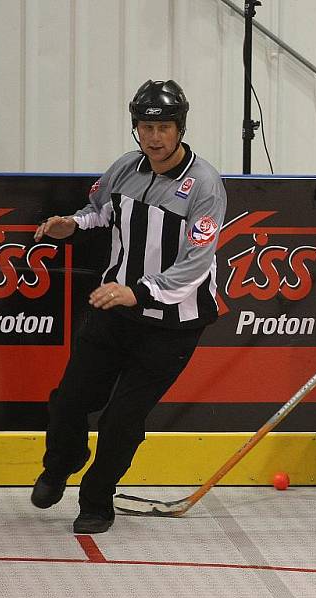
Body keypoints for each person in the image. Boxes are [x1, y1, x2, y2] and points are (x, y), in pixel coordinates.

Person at [30, 80, 227, 534]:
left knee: (123, 419)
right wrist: (70, 224)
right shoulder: (125, 168)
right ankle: (62, 463)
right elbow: (98, 211)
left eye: (163, 127)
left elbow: (196, 266)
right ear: (135, 128)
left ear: (180, 128)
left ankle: (97, 500)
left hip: (172, 325)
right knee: (69, 400)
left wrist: (136, 291)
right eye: (145, 126)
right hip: (114, 310)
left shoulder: (205, 186)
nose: (154, 137)